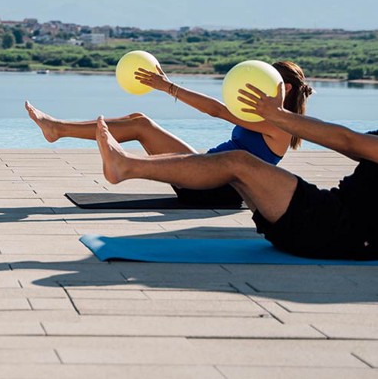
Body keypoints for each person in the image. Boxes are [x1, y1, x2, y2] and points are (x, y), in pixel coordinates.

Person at [92, 80, 378, 260]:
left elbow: (346, 140)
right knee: (236, 162)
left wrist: (278, 116)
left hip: (337, 229)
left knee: (239, 162)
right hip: (328, 218)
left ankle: (126, 166)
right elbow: (352, 146)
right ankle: (124, 163)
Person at [26, 61, 312, 207]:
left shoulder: (281, 126)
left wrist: (168, 87)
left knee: (141, 126)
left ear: (284, 88)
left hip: (215, 191)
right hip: (206, 176)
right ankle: (57, 128)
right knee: (139, 120)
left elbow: (217, 110)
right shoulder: (269, 119)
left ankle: (60, 130)